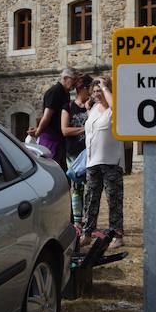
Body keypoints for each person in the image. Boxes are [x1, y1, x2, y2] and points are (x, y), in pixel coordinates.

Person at [81, 76, 125, 250]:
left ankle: (117, 234)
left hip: (111, 161)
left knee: (113, 199)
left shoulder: (114, 107)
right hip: (92, 161)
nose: (97, 93)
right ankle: (87, 232)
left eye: (100, 90)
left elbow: (116, 107)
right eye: (95, 90)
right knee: (90, 198)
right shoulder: (93, 109)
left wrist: (106, 88)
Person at [28, 68, 78, 170]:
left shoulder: (65, 93)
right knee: (51, 169)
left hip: (59, 139)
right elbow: (47, 116)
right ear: (65, 78)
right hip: (51, 139)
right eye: (73, 80)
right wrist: (38, 132)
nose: (75, 83)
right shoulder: (54, 92)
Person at [62, 74, 93, 225]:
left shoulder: (92, 106)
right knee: (76, 187)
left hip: (90, 152)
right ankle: (77, 222)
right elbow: (65, 130)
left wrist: (88, 110)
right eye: (90, 88)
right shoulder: (68, 107)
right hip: (73, 153)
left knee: (91, 188)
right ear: (82, 89)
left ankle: (89, 220)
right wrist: (85, 128)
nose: (92, 92)